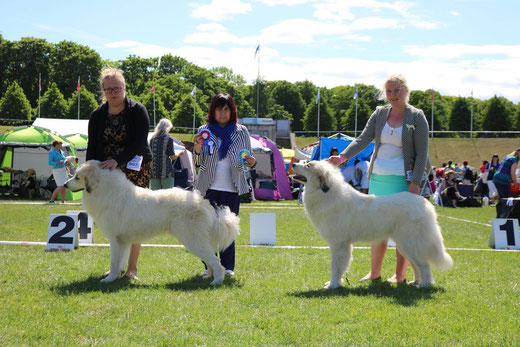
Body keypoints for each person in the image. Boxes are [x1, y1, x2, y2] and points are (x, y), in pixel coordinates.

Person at [327, 74, 429, 284]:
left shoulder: (417, 117)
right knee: (377, 227)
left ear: (405, 91)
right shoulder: (380, 114)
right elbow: (363, 139)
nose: (392, 95)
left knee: (402, 229)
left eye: (396, 90)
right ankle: (374, 272)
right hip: (378, 178)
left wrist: (415, 183)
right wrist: (343, 157)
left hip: (403, 180)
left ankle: (400, 275)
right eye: (389, 91)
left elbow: (422, 153)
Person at [86, 66, 152, 280]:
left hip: (135, 166)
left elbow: (140, 141)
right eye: (109, 89)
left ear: (124, 88)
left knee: (133, 219)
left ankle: (132, 268)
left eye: (117, 88)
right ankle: (116, 267)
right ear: (103, 91)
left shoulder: (137, 110)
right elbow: (93, 145)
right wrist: (90, 170)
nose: (113, 92)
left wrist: (118, 160)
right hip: (106, 173)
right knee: (112, 220)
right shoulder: (97, 115)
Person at [193, 93, 256, 277]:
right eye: (219, 109)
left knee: (228, 228)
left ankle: (228, 268)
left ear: (232, 111)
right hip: (207, 187)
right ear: (213, 111)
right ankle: (210, 267)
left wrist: (251, 162)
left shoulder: (241, 131)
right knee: (207, 228)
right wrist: (196, 147)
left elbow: (247, 158)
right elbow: (198, 161)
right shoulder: (204, 130)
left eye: (226, 109)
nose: (222, 113)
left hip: (232, 187)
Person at [149, 118, 184, 190]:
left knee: (154, 197)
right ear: (167, 128)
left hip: (154, 172)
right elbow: (173, 157)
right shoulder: (169, 139)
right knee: (168, 197)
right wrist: (180, 153)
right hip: (167, 172)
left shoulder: (152, 140)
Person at [492, 149, 520, 218]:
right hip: (503, 180)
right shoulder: (515, 160)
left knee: (503, 198)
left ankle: (500, 217)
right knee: (508, 199)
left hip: (497, 178)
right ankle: (504, 217)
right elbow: (512, 173)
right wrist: (516, 184)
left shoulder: (508, 157)